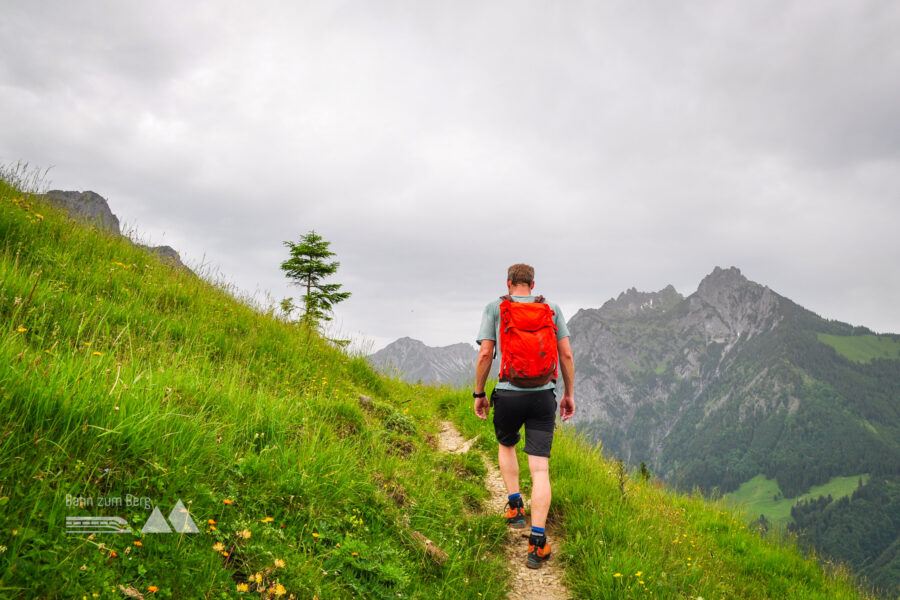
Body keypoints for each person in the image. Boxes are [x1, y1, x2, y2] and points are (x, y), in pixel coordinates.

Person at [473, 263, 575, 569]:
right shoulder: (552, 309)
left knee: (507, 446)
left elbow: (485, 354)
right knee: (540, 470)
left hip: (508, 393)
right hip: (543, 395)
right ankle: (538, 543)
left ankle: (515, 507)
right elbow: (566, 355)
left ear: (508, 283)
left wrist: (479, 393)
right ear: (532, 284)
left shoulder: (496, 308)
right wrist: (568, 394)